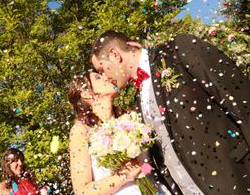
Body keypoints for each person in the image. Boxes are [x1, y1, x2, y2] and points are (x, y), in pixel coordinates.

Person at [90, 30, 250, 195]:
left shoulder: (177, 50)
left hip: (236, 178)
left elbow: (241, 100)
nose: (104, 76)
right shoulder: (137, 101)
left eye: (102, 69)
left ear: (115, 55)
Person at [68, 72, 170, 195]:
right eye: (98, 77)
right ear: (85, 93)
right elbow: (82, 191)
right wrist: (123, 176)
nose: (107, 76)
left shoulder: (130, 119)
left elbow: (146, 168)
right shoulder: (81, 130)